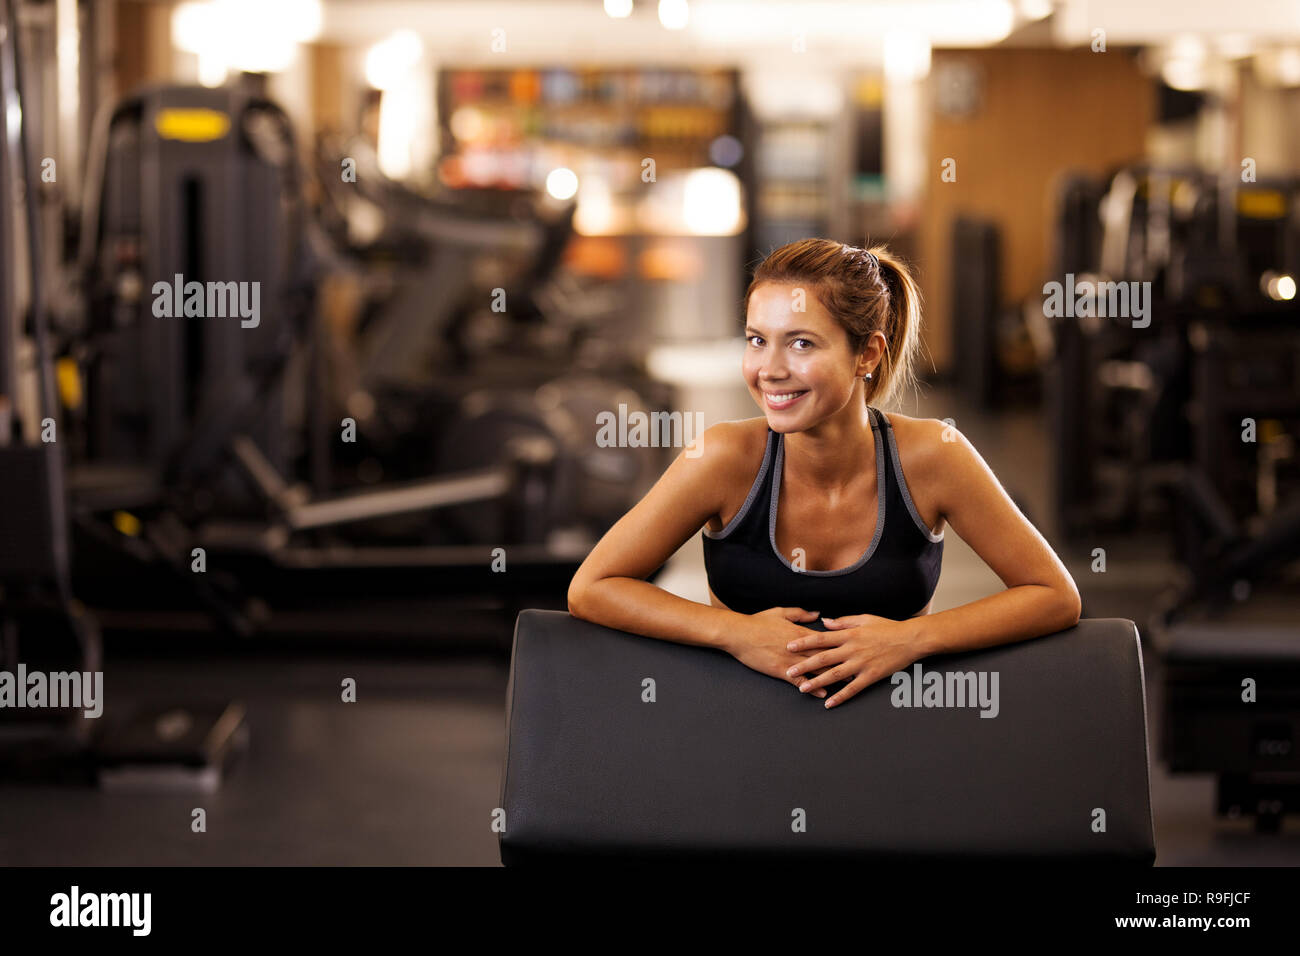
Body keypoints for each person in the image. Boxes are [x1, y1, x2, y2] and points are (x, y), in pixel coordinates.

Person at [567, 238, 1081, 709]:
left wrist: (911, 639)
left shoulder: (933, 457)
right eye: (756, 340)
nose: (769, 368)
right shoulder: (724, 458)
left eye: (801, 344)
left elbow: (1054, 595)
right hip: (741, 731)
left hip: (885, 736)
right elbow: (592, 586)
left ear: (867, 354)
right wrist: (731, 631)